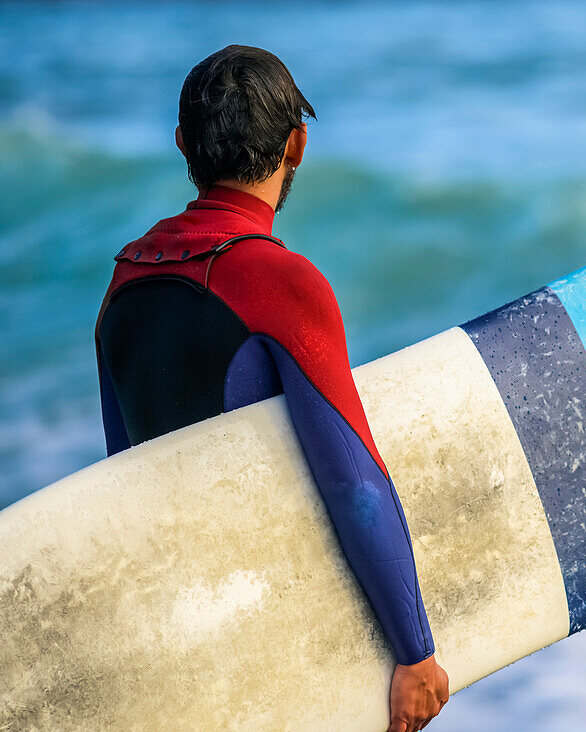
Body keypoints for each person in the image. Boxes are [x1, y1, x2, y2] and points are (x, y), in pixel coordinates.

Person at [93, 45, 449, 732]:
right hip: (285, 637)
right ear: (298, 145)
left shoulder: (123, 281)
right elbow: (354, 485)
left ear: (181, 145)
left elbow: (121, 479)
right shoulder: (280, 282)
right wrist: (414, 654)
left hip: (189, 648)